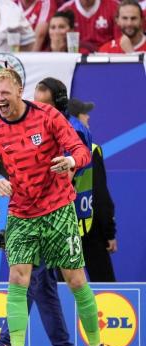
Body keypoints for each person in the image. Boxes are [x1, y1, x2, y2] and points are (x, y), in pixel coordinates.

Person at [0, 68, 110, 346]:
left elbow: (80, 151)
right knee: (17, 281)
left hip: (59, 209)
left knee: (75, 280)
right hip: (21, 213)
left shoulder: (46, 115)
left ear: (19, 91)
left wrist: (71, 160)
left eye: (4, 93)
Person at [67, 98, 118, 282]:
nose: (88, 117)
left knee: (59, 287)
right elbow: (99, 195)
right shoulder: (91, 149)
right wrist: (109, 233)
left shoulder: (52, 147)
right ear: (74, 118)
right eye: (84, 113)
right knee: (105, 286)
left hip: (57, 226)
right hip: (89, 227)